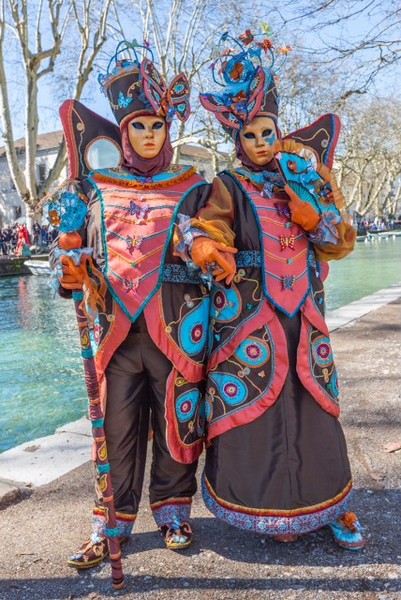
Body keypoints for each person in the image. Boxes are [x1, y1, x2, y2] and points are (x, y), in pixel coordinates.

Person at [177, 29, 364, 550]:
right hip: (249, 321)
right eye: (251, 136)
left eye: (267, 133)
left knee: (316, 407)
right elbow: (203, 227)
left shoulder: (307, 179)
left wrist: (314, 217)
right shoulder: (227, 186)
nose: (260, 143)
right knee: (253, 409)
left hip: (303, 318)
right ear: (238, 141)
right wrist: (206, 247)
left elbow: (338, 243)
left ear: (277, 131)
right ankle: (260, 508)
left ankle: (328, 506)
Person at [49, 41, 225, 569]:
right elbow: (73, 255)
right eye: (139, 128)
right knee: (117, 429)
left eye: (157, 127)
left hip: (178, 328)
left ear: (168, 132)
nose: (149, 136)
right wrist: (72, 269)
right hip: (115, 335)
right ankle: (110, 521)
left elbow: (218, 250)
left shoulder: (196, 187)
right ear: (123, 134)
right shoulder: (94, 188)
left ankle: (173, 510)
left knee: (178, 423)